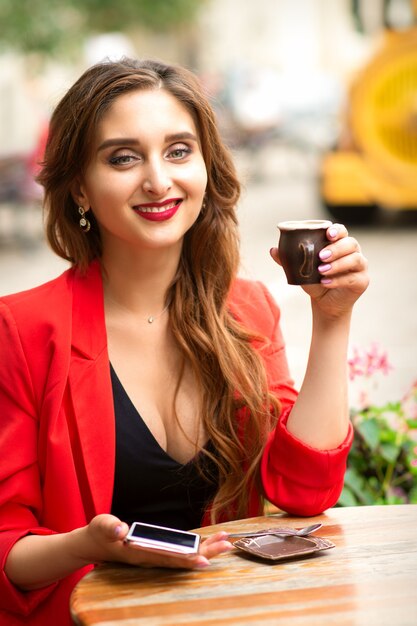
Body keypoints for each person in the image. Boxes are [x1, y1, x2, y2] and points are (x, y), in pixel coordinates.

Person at [0, 57, 369, 626]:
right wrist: (89, 547)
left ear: (205, 166)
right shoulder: (22, 331)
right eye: (123, 157)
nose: (157, 179)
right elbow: (8, 552)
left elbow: (302, 492)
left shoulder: (247, 309)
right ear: (78, 186)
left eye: (178, 151)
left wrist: (333, 320)